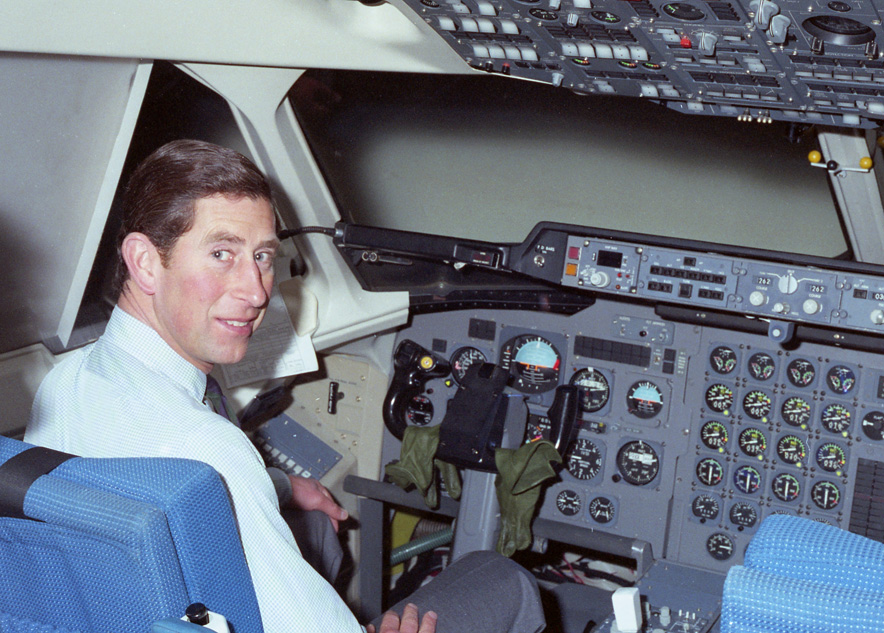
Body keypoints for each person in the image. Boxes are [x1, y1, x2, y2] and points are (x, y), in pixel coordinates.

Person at [26, 140, 545, 633]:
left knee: (318, 530)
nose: (255, 291)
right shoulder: (206, 448)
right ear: (143, 261)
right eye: (221, 254)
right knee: (504, 579)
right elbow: (205, 464)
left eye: (263, 256)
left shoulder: (66, 382)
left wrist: (277, 484)